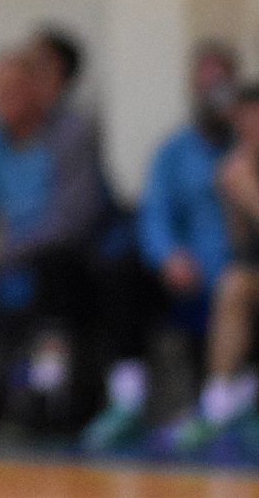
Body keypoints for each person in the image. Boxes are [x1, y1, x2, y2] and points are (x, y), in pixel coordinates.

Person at [82, 42, 240, 451]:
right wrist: (169, 256)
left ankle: (228, 409)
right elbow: (154, 215)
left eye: (222, 84)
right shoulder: (172, 152)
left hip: (237, 275)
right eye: (206, 84)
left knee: (239, 286)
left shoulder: (248, 152)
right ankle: (128, 399)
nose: (214, 95)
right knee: (121, 271)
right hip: (185, 278)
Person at [0, 48, 109, 432]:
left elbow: (72, 220)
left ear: (37, 91)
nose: (2, 100)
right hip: (3, 256)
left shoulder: (70, 135)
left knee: (56, 268)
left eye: (13, 90)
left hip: (57, 255)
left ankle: (49, 390)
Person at [158, 80, 259, 458]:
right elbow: (242, 248)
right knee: (233, 284)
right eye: (242, 122)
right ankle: (218, 404)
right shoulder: (236, 167)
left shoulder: (243, 177)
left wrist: (249, 192)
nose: (247, 130)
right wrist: (233, 198)